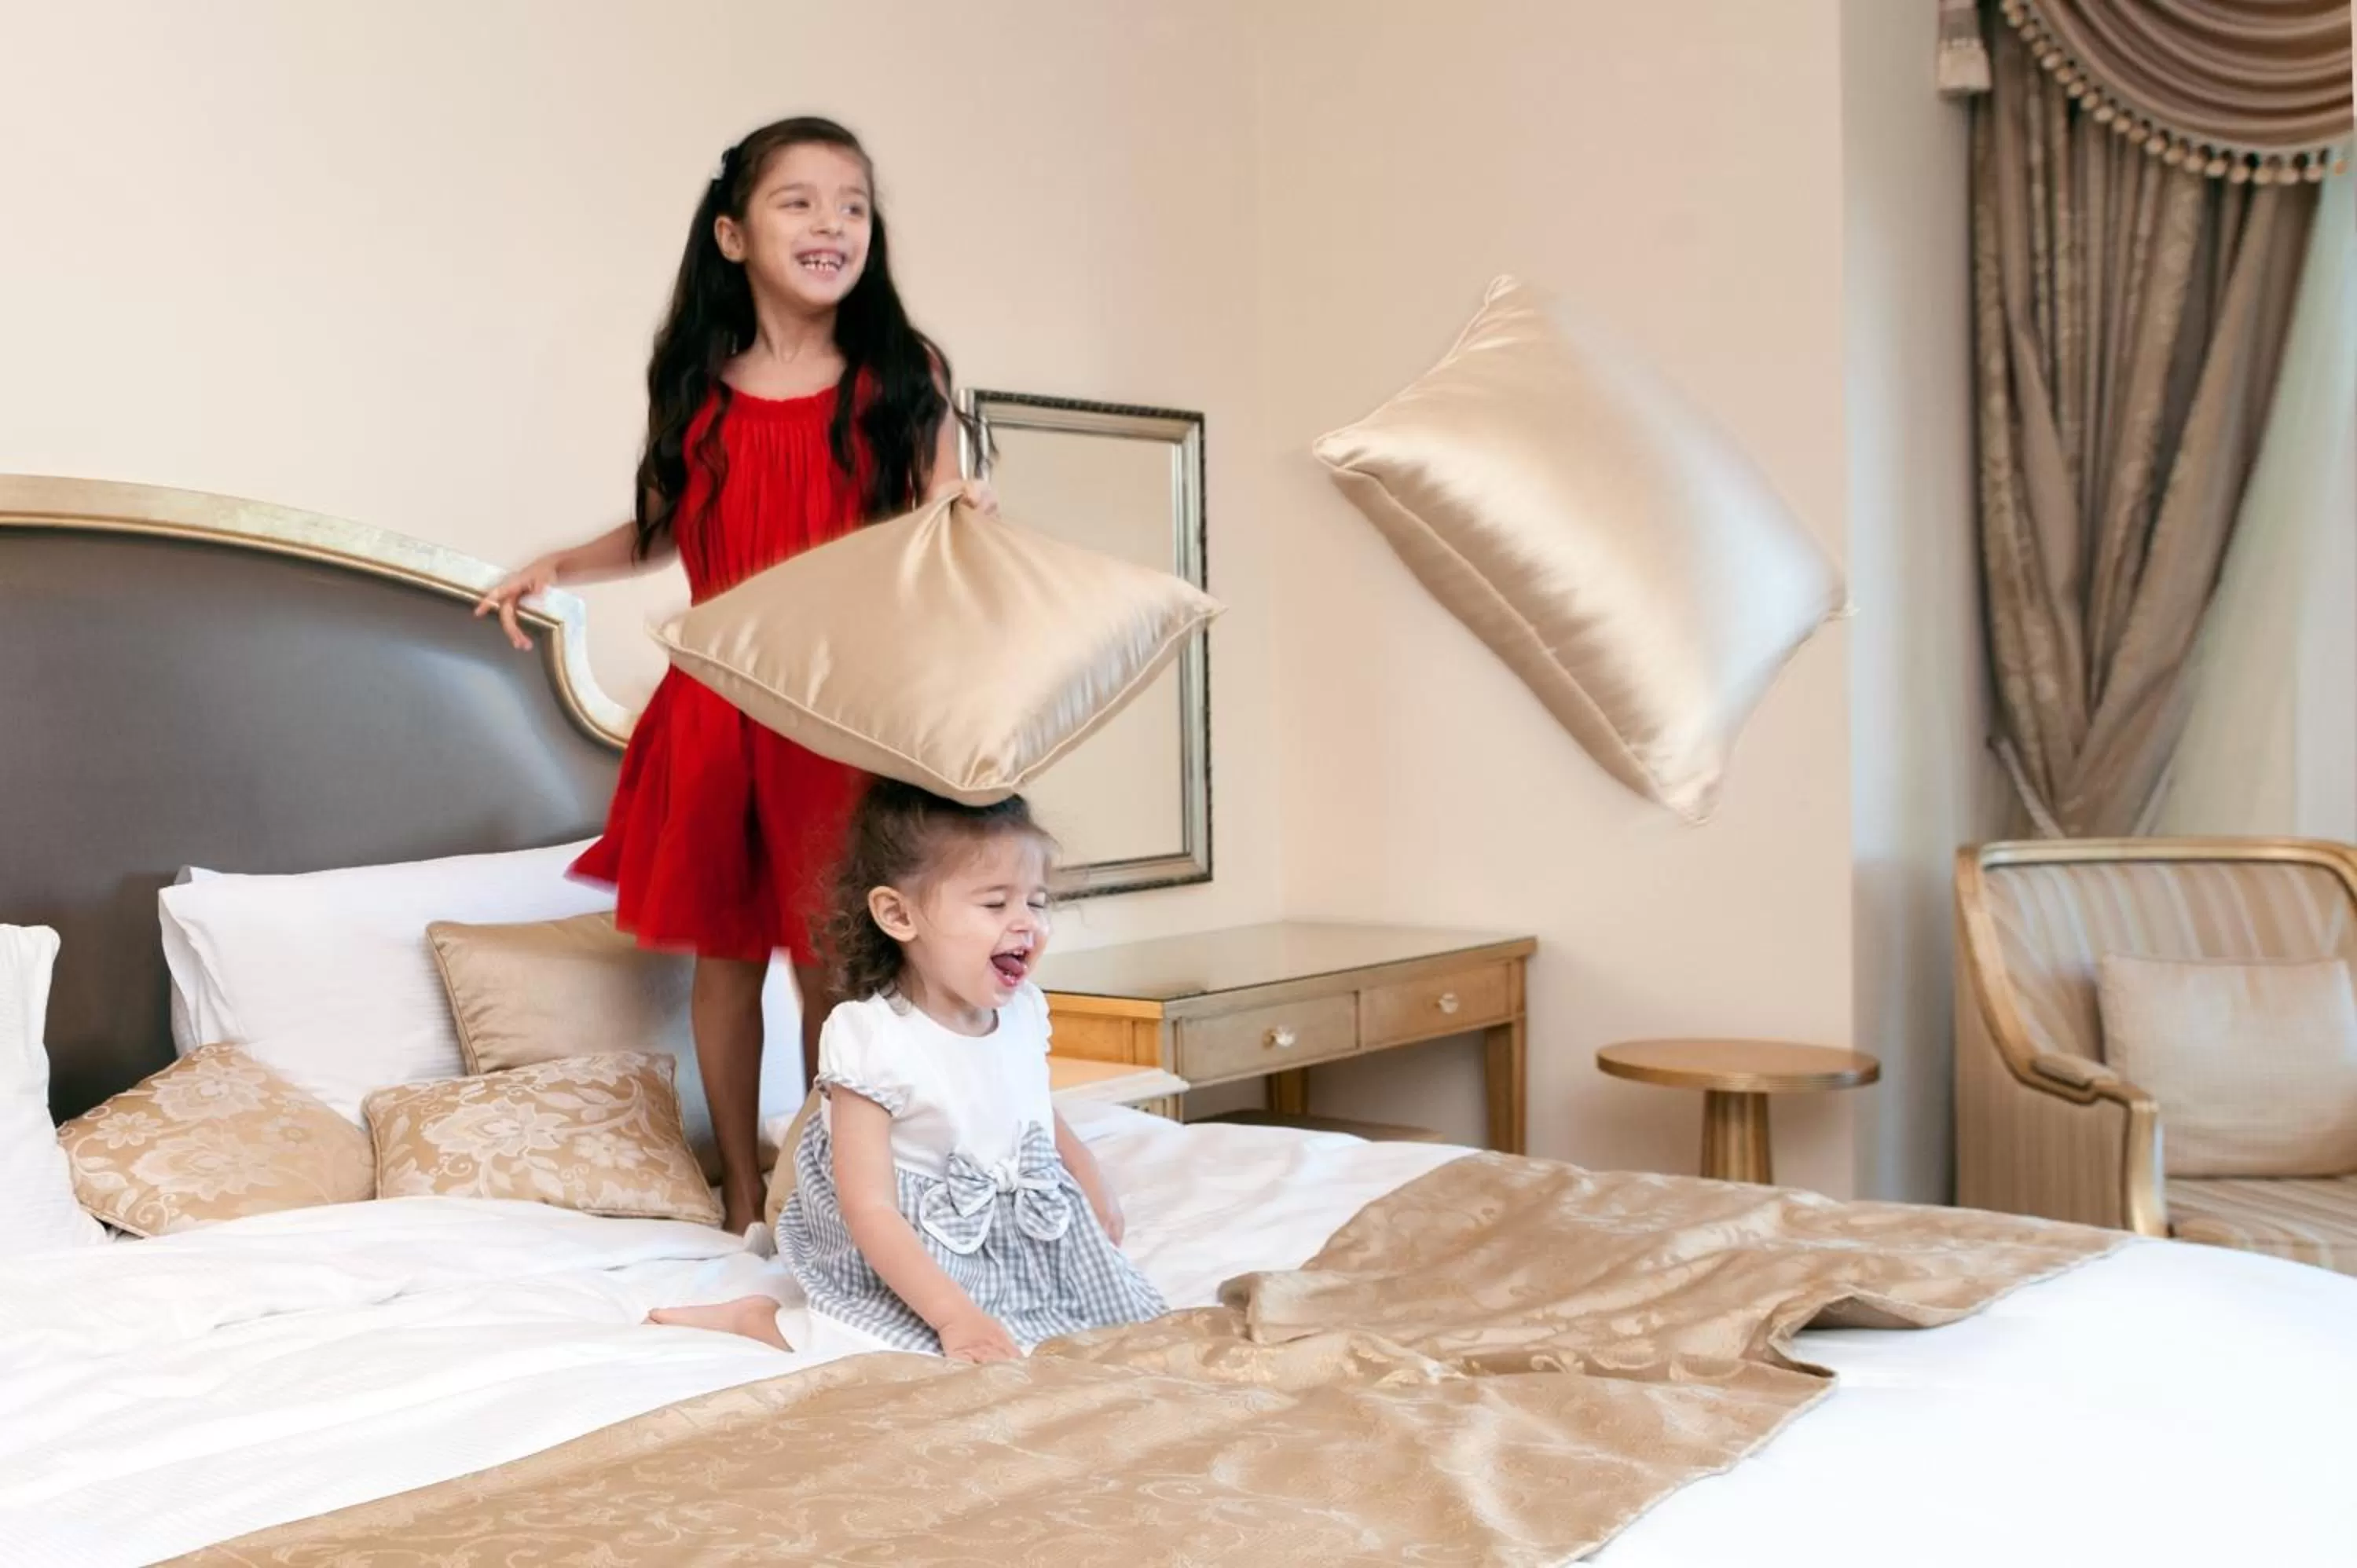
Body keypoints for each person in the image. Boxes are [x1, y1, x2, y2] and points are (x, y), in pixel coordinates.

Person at [475, 118, 991, 1234]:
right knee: (727, 957)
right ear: (733, 235)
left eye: (852, 205)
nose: (831, 224)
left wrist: (965, 510)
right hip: (719, 702)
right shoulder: (699, 385)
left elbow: (943, 509)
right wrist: (559, 565)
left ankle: (827, 1184)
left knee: (829, 961)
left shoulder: (903, 374)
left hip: (841, 703)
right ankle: (741, 1194)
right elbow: (666, 526)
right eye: (799, 202)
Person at [649, 782, 1164, 1363]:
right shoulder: (873, 1037)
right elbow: (868, 1208)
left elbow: (1029, 1106)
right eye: (996, 905)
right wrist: (954, 1316)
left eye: (1037, 903)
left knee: (1110, 1323)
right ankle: (758, 1317)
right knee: (887, 1348)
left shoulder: (1023, 1011)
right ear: (898, 915)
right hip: (903, 1243)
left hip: (1010, 1232)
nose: (1027, 924)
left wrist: (1089, 1178)